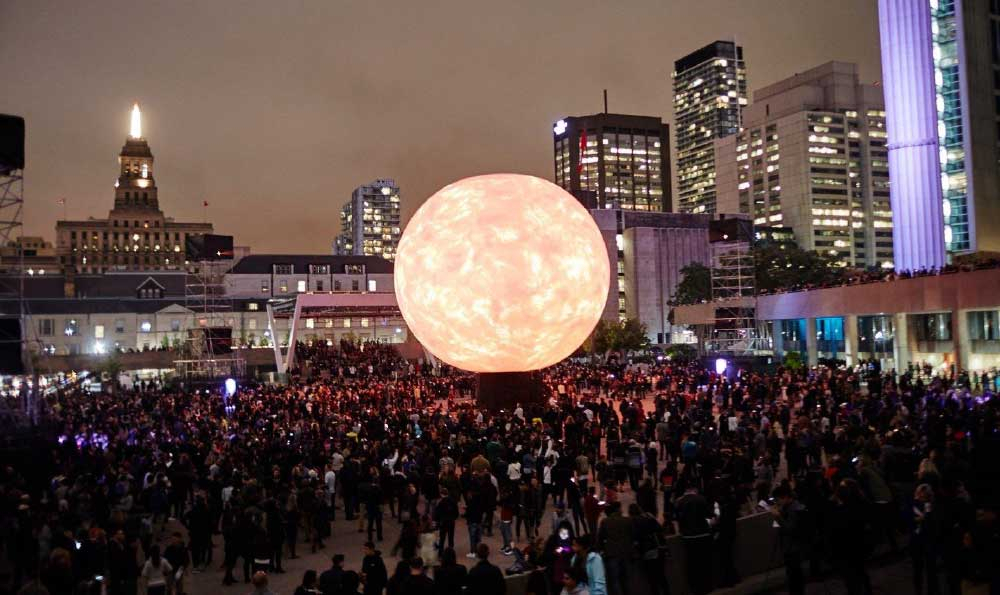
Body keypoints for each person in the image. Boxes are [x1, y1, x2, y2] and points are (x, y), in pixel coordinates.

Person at [770, 484, 809, 595]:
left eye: (778, 500)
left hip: (793, 547)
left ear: (785, 497)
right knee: (793, 575)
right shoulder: (788, 507)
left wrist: (778, 516)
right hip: (790, 547)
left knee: (795, 576)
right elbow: (777, 527)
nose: (777, 502)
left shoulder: (794, 509)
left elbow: (789, 529)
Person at [674, 484, 713, 595]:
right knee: (704, 561)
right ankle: (706, 586)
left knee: (692, 563)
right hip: (703, 534)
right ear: (694, 490)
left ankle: (695, 588)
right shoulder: (701, 499)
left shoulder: (679, 502)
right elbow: (709, 515)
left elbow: (676, 518)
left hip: (688, 536)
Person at [630, 503, 668, 595]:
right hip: (658, 548)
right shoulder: (648, 516)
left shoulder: (633, 521)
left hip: (646, 551)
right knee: (661, 576)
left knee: (652, 579)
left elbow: (635, 537)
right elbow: (659, 529)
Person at [596, 502, 633, 595]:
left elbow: (600, 538)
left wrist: (600, 550)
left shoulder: (605, 522)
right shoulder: (627, 520)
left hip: (612, 554)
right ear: (617, 510)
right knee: (626, 580)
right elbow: (632, 535)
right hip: (626, 553)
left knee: (614, 581)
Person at [434, 488, 459, 553]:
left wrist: (437, 521)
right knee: (451, 537)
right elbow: (456, 513)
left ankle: (440, 552)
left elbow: (437, 513)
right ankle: (451, 551)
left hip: (443, 522)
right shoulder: (453, 501)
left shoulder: (441, 502)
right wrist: (453, 518)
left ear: (441, 494)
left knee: (442, 538)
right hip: (451, 521)